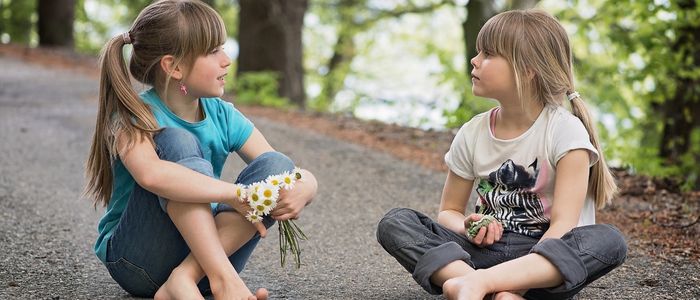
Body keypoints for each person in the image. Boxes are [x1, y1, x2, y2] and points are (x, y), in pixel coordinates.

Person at [376, 9, 626, 300]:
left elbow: (563, 226)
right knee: (396, 222)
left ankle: (479, 286)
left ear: (528, 69)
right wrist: (466, 226)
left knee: (609, 240)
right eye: (478, 51)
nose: (475, 60)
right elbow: (449, 212)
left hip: (541, 265)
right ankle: (486, 287)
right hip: (480, 253)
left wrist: (515, 280)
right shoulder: (473, 132)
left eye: (489, 54)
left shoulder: (565, 132)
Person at [84, 1, 317, 299]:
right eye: (213, 51)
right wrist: (234, 194)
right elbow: (152, 176)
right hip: (139, 263)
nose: (227, 60)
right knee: (176, 141)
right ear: (174, 67)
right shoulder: (135, 116)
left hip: (205, 260)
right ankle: (225, 282)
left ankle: (186, 278)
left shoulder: (222, 115)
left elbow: (282, 169)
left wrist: (307, 184)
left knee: (276, 164)